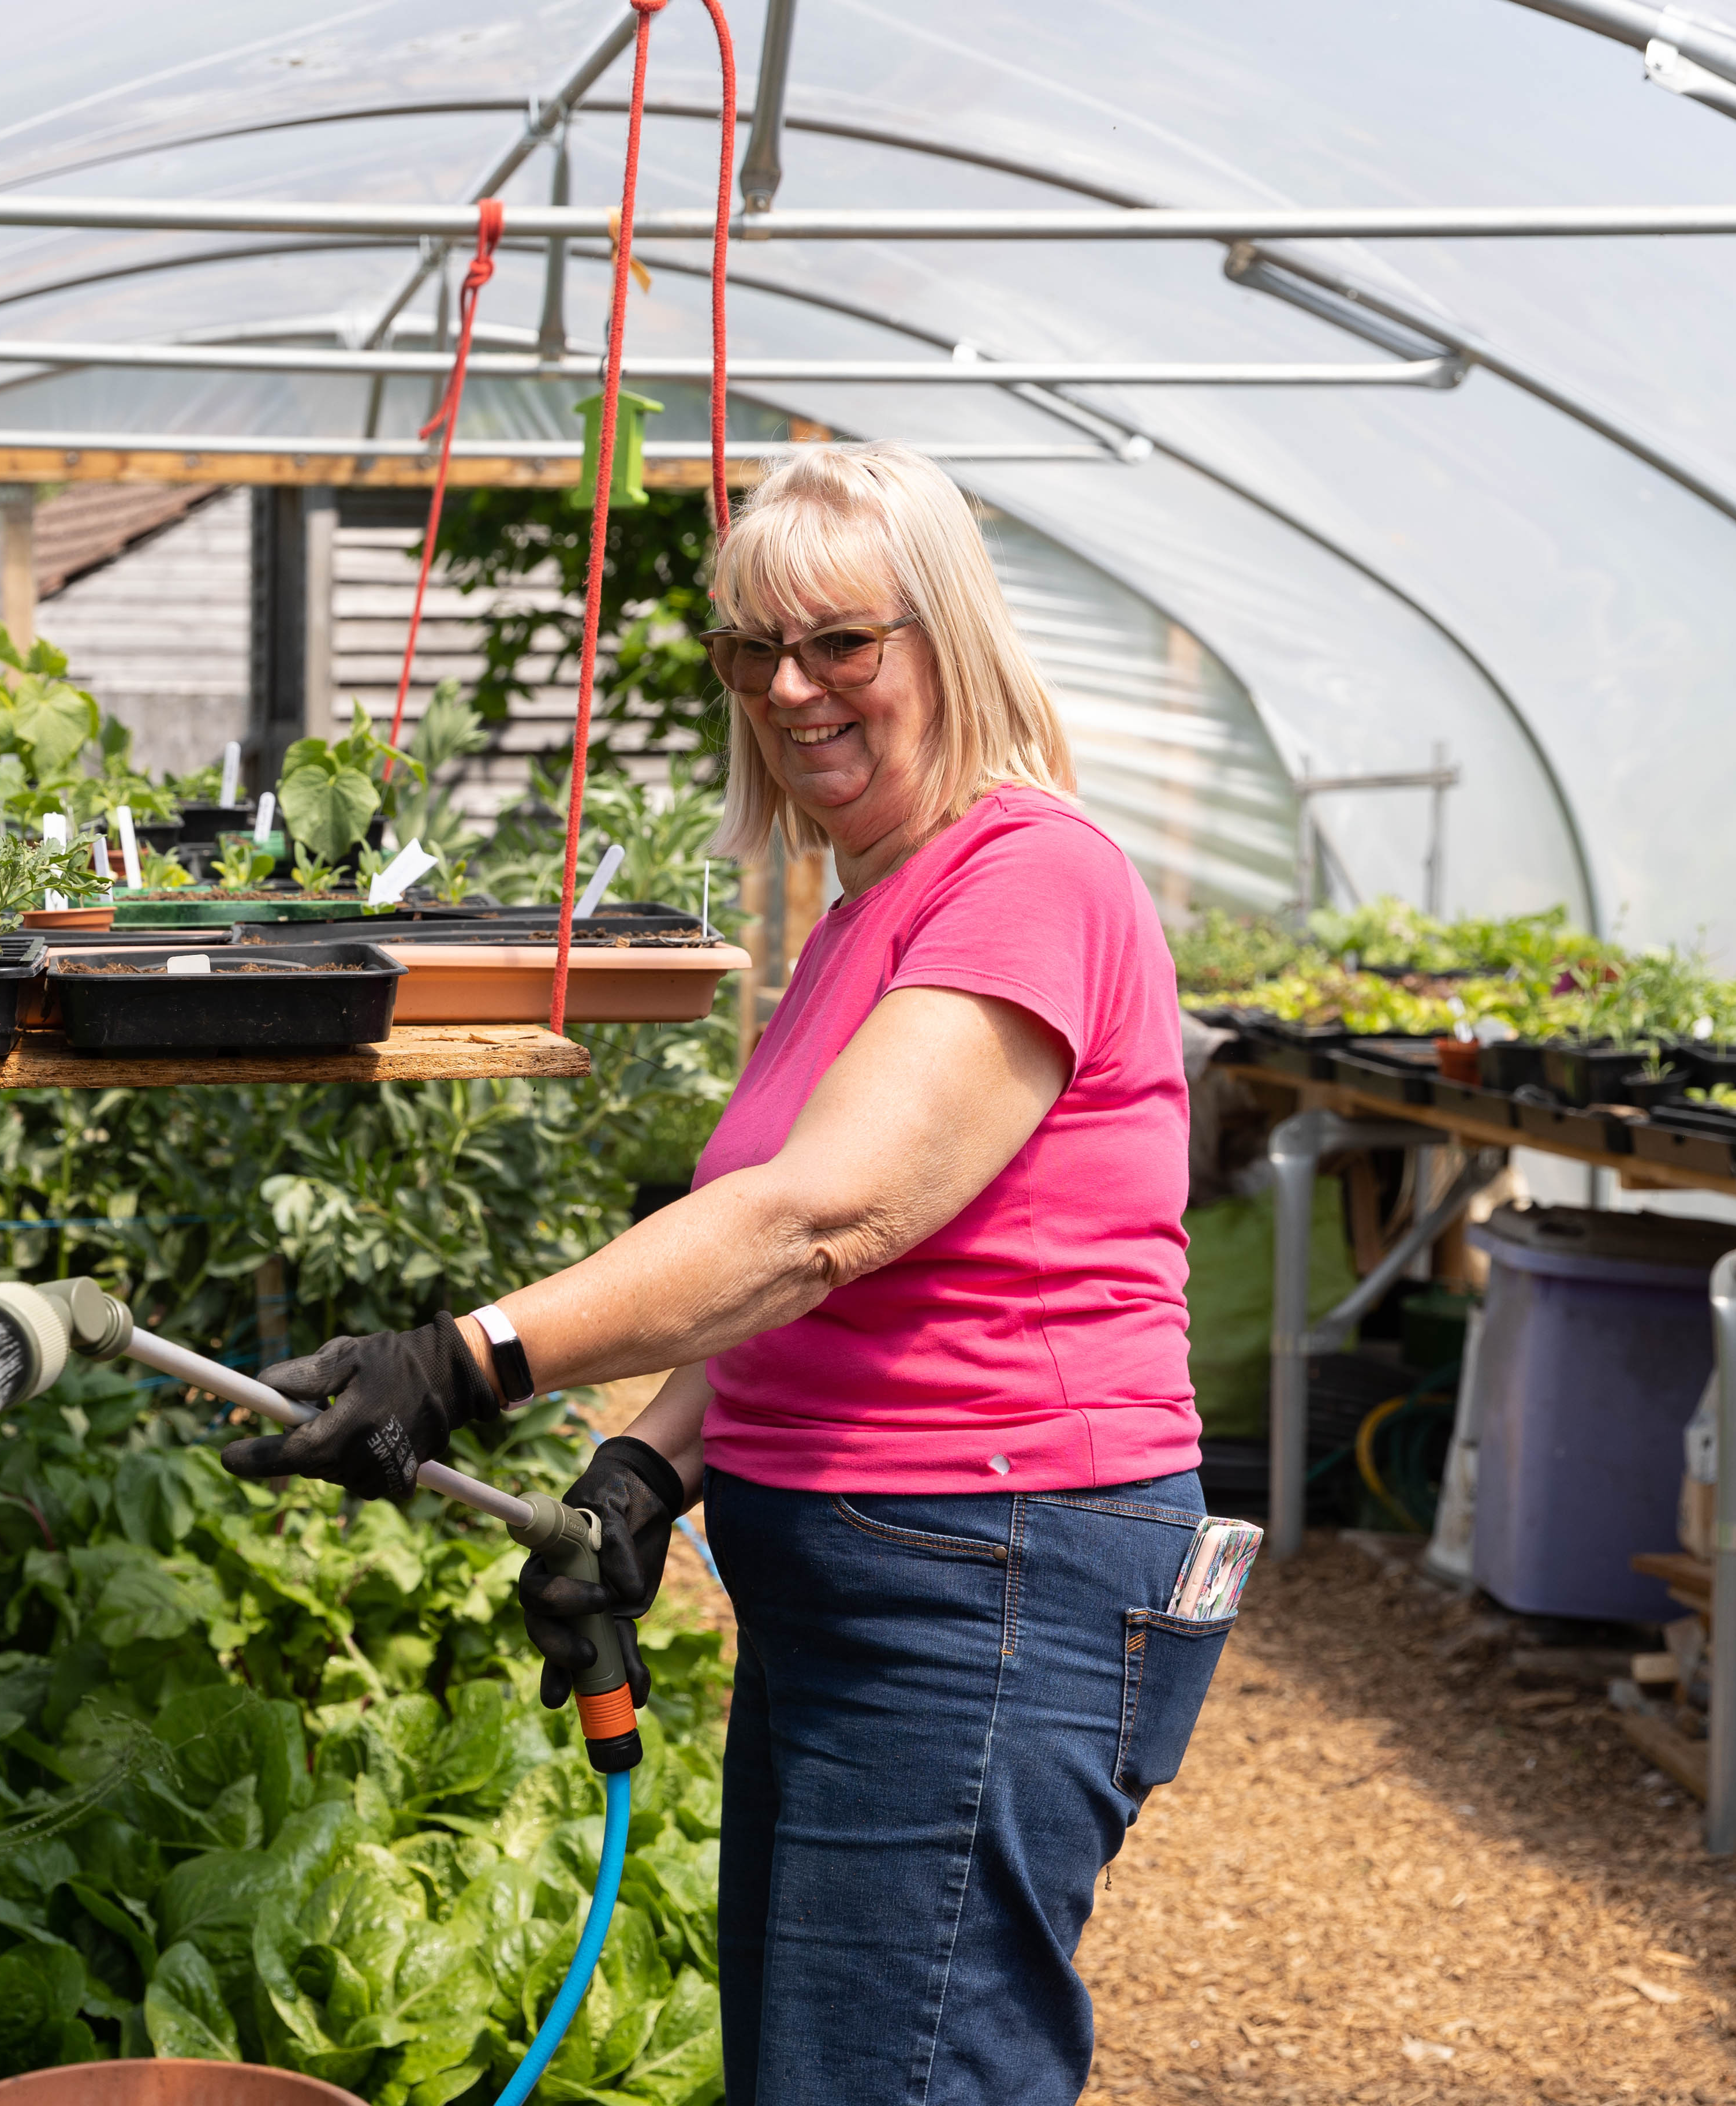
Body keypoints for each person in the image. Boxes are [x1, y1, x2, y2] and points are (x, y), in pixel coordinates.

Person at [225, 442, 1221, 2106]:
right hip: (886, 1584)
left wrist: (470, 1359)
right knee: (826, 2067)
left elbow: (817, 1220)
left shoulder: (1032, 873)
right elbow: (812, 1280)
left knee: (894, 2078)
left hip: (991, 1573)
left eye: (842, 642)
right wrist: (646, 1470)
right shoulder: (877, 901)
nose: (790, 687)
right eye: (750, 650)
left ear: (951, 636)